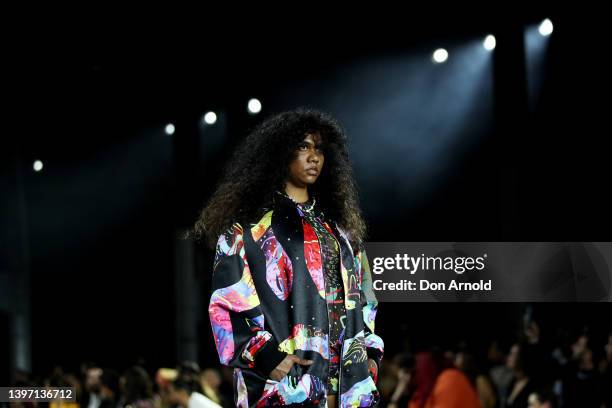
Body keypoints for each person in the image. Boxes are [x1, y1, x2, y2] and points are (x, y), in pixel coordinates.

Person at [192, 108, 384, 407]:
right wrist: (268, 357)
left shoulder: (342, 233)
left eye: (319, 148)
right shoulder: (248, 231)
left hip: (349, 390)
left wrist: (369, 356)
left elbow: (366, 299)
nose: (314, 157)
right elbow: (226, 305)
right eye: (303, 146)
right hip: (285, 389)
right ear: (281, 154)